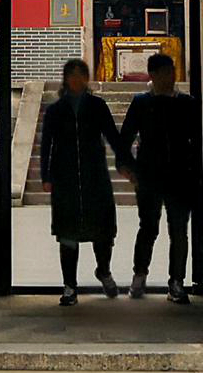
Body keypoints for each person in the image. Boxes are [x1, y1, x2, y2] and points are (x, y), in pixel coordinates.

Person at [39, 57, 125, 305]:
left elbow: (112, 136)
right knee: (67, 235)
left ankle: (104, 270)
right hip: (65, 179)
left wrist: (125, 163)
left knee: (103, 231)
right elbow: (47, 145)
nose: (76, 79)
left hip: (94, 177)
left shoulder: (97, 106)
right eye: (72, 74)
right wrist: (46, 175)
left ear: (87, 79)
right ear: (66, 79)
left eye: (81, 74)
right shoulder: (55, 110)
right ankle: (69, 286)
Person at [118, 54, 199, 304]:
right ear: (152, 75)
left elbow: (198, 138)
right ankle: (139, 275)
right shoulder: (141, 103)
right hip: (149, 176)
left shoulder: (187, 103)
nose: (170, 76)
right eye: (165, 72)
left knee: (179, 231)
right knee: (148, 227)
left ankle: (177, 282)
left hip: (179, 176)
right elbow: (126, 137)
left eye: (172, 71)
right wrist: (127, 166)